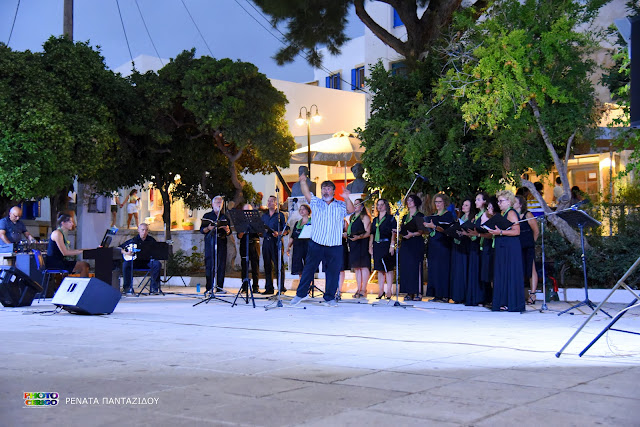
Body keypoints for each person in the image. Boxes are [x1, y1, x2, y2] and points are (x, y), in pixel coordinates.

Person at [290, 172, 354, 306]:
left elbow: (350, 210)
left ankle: (330, 297)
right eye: (323, 189)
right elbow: (307, 194)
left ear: (334, 191)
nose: (326, 191)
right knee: (308, 269)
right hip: (317, 243)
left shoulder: (340, 205)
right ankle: (300, 294)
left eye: (328, 188)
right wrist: (302, 182)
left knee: (333, 272)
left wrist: (347, 198)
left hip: (335, 245)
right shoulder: (316, 203)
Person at [487, 190, 525, 312]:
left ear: (509, 201)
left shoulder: (511, 213)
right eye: (498, 201)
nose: (499, 203)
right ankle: (504, 301)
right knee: (503, 273)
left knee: (509, 273)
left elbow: (517, 231)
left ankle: (509, 302)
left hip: (510, 247)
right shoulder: (504, 213)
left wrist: (501, 232)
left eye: (501, 201)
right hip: (503, 246)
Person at [424, 193, 455, 302]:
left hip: (443, 244)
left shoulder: (448, 215)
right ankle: (436, 294)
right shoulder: (433, 215)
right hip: (433, 244)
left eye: (439, 202)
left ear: (445, 203)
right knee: (434, 269)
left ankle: (444, 295)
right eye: (436, 202)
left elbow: (447, 230)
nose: (437, 204)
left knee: (442, 269)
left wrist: (435, 227)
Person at [120, 223, 162, 294]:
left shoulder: (151, 240)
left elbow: (157, 251)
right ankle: (127, 288)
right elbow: (120, 248)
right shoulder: (134, 240)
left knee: (157, 264)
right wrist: (127, 253)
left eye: (146, 230)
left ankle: (154, 288)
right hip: (136, 262)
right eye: (142, 230)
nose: (144, 232)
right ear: (138, 230)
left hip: (148, 262)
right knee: (126, 264)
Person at [200, 196, 231, 294]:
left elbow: (229, 232)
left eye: (220, 203)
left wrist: (227, 230)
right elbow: (202, 230)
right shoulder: (207, 215)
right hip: (210, 242)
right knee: (210, 265)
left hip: (221, 242)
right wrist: (208, 228)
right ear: (212, 204)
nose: (219, 204)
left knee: (221, 265)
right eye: (217, 202)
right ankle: (209, 287)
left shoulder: (224, 217)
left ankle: (219, 287)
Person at [463, 192, 488, 306]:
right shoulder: (477, 215)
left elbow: (484, 231)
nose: (476, 202)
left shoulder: (485, 214)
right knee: (474, 271)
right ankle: (474, 297)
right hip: (474, 244)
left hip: (480, 245)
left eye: (478, 199)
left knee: (479, 272)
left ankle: (481, 298)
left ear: (484, 202)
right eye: (476, 199)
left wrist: (475, 233)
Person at [398, 195, 425, 301]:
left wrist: (412, 234)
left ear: (416, 202)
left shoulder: (419, 215)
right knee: (407, 267)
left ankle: (418, 292)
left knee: (415, 267)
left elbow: (421, 231)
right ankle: (409, 292)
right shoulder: (405, 216)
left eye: (411, 200)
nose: (409, 202)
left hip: (415, 242)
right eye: (407, 200)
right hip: (405, 243)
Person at [514, 195, 540, 305]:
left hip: (528, 245)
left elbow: (536, 230)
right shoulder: (512, 215)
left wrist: (531, 243)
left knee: (531, 268)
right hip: (517, 245)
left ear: (520, 204)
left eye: (514, 202)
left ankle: (533, 294)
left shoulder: (527, 214)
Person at [261, 195, 289, 295]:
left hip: (276, 242)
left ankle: (281, 288)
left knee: (278, 265)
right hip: (266, 242)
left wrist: (279, 233)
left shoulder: (280, 215)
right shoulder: (264, 216)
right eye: (268, 201)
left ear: (276, 203)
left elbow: (287, 230)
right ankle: (269, 288)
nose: (269, 203)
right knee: (267, 265)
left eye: (272, 201)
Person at [450, 198, 475, 304]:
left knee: (465, 269)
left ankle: (464, 295)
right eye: (463, 205)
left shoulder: (472, 218)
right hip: (458, 243)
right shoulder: (461, 217)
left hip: (467, 244)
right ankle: (457, 295)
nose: (463, 207)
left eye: (466, 205)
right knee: (458, 270)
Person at [370, 199, 396, 299]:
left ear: (386, 206)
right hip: (377, 244)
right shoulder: (375, 219)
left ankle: (389, 290)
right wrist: (370, 246)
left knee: (388, 268)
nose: (379, 206)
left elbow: (393, 233)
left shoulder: (391, 218)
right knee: (379, 269)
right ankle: (381, 290)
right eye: (378, 205)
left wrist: (392, 245)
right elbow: (372, 233)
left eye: (382, 204)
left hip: (386, 243)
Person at [347, 198, 371, 298]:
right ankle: (358, 288)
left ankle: (363, 289)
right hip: (354, 244)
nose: (356, 205)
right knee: (357, 267)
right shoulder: (352, 217)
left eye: (358, 204)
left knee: (363, 266)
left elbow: (368, 232)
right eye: (354, 204)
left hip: (362, 243)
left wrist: (358, 237)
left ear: (362, 206)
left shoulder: (364, 217)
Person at [238, 203, 261, 294]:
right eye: (245, 211)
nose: (248, 213)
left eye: (250, 211)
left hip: (254, 244)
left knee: (255, 266)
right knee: (244, 266)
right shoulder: (240, 222)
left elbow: (261, 233)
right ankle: (244, 287)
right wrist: (243, 230)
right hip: (244, 244)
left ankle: (255, 287)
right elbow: (239, 236)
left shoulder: (256, 221)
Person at [287, 204, 312, 280]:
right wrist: (288, 247)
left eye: (303, 209)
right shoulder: (297, 223)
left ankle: (309, 285)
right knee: (299, 268)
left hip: (308, 246)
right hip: (298, 247)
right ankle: (302, 285)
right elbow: (292, 236)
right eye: (300, 209)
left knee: (308, 266)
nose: (301, 211)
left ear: (308, 211)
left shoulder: (312, 222)